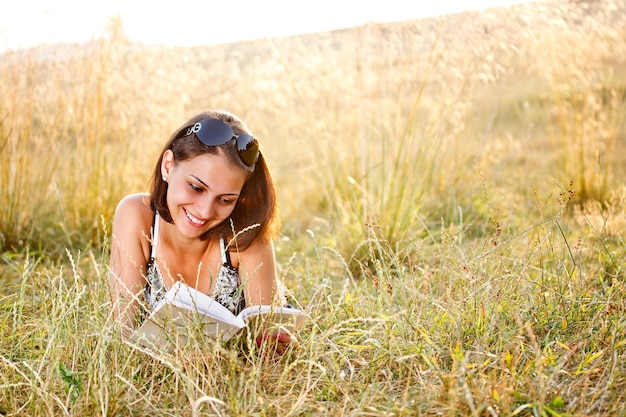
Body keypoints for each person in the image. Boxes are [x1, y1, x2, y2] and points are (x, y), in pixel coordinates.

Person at [108, 109, 291, 353]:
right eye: (196, 187)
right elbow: (122, 335)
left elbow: (267, 342)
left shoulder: (244, 232)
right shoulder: (135, 215)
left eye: (226, 200)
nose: (205, 212)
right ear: (168, 166)